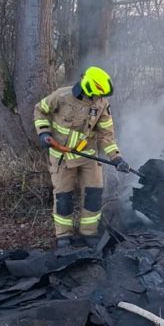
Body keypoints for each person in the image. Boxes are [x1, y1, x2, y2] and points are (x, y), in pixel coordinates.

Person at [34, 66, 132, 248]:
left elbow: (106, 136)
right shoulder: (61, 96)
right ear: (87, 87)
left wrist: (116, 158)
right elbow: (40, 111)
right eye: (96, 95)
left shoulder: (102, 104)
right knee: (64, 197)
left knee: (93, 194)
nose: (98, 99)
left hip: (88, 156)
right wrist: (43, 132)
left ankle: (89, 232)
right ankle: (64, 236)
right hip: (61, 156)